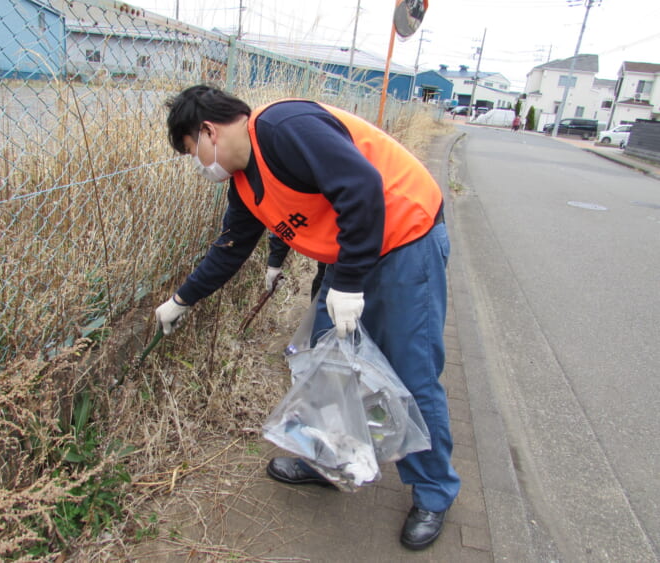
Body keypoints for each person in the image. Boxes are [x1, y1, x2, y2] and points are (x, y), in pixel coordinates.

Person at [156, 84, 459, 551]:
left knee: (412, 369)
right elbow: (234, 246)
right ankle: (328, 461)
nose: (198, 163)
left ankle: (434, 492)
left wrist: (350, 283)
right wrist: (181, 300)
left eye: (192, 150)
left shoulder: (282, 129)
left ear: (208, 131)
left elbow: (361, 188)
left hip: (405, 235)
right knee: (327, 365)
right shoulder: (242, 180)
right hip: (353, 248)